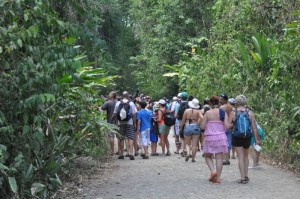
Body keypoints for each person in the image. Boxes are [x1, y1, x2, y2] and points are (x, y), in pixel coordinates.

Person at [228, 95, 261, 184]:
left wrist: (232, 126)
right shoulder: (250, 112)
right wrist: (257, 139)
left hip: (237, 136)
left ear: (236, 103)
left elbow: (228, 126)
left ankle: (242, 177)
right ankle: (246, 176)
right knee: (246, 156)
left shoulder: (233, 112)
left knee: (240, 157)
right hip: (247, 137)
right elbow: (254, 127)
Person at [201, 96, 229, 184]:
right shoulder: (223, 113)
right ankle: (218, 178)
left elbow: (202, 126)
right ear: (219, 103)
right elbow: (227, 126)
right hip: (221, 137)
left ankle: (213, 171)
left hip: (209, 137)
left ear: (210, 103)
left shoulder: (207, 113)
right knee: (219, 158)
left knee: (207, 155)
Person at [114, 91, 137, 160]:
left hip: (120, 123)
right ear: (127, 96)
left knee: (121, 138)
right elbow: (134, 114)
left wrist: (116, 122)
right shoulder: (131, 103)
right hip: (129, 122)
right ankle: (131, 153)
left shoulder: (118, 103)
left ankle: (121, 153)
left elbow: (115, 114)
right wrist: (134, 123)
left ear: (122, 96)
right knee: (130, 137)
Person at [100, 91, 117, 156]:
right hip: (118, 122)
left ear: (112, 96)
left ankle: (112, 151)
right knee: (120, 137)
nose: (108, 95)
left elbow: (101, 108)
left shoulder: (107, 103)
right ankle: (120, 151)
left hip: (110, 122)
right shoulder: (118, 102)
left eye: (109, 94)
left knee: (111, 137)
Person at [219, 93, 233, 165]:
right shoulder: (231, 107)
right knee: (228, 143)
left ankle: (224, 159)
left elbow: (220, 118)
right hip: (229, 126)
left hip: (223, 126)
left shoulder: (221, 108)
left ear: (225, 100)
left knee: (223, 143)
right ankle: (227, 159)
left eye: (221, 99)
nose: (219, 100)